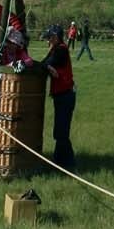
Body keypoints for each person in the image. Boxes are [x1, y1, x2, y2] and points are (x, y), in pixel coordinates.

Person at [43, 26, 76, 172]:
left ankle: (66, 162)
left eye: (50, 37)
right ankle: (60, 161)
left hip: (65, 95)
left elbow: (45, 64)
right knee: (60, 131)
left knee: (61, 131)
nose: (48, 40)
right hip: (62, 95)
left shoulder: (60, 50)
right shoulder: (57, 49)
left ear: (56, 37)